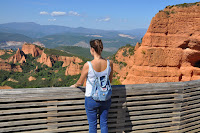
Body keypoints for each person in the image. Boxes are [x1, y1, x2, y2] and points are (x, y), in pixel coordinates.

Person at [70, 39, 113, 133]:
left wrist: (74, 86)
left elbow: (80, 83)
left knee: (92, 125)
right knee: (104, 123)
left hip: (91, 98)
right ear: (101, 49)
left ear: (92, 50)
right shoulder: (110, 63)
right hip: (105, 97)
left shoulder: (88, 65)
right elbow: (110, 80)